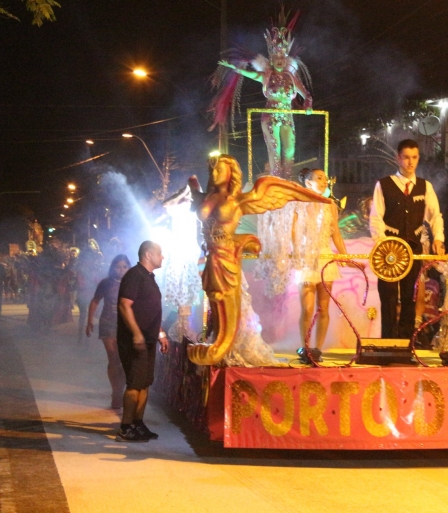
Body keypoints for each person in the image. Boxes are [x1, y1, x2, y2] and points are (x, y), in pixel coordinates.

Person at [187, 154, 327, 365]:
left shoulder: (237, 200)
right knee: (213, 298)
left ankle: (222, 345)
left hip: (226, 255)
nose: (215, 174)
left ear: (230, 174)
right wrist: (194, 189)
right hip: (210, 254)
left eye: (220, 170)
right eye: (213, 170)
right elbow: (199, 215)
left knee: (224, 296)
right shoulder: (206, 197)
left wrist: (241, 240)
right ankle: (217, 341)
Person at [211, 9, 312, 179]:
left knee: (289, 151)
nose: (279, 59)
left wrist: (308, 105)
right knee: (275, 148)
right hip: (271, 115)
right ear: (271, 59)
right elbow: (250, 74)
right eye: (276, 56)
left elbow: (306, 94)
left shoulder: (291, 76)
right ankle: (276, 180)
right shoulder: (267, 75)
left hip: (287, 115)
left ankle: (287, 181)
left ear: (285, 58)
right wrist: (234, 68)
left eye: (282, 56)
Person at [370, 139, 445, 338]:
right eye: (406, 157)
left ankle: (405, 342)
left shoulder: (424, 186)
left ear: (418, 158)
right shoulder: (384, 184)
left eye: (414, 157)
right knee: (388, 296)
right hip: (389, 249)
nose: (410, 162)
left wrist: (438, 238)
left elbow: (435, 215)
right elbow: (376, 217)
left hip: (413, 248)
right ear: (398, 158)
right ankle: (388, 342)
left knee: (410, 296)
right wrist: (381, 243)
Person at [116, 241, 169, 442]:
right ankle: (125, 427)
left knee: (145, 383)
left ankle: (138, 423)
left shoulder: (149, 278)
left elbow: (152, 310)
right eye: (160, 253)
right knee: (134, 384)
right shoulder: (134, 276)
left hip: (148, 338)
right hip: (134, 340)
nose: (162, 257)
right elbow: (124, 305)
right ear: (148, 255)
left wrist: (160, 334)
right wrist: (136, 333)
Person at [295, 168, 347, 350]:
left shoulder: (330, 205)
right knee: (307, 309)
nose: (324, 181)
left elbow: (337, 235)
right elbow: (293, 233)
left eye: (325, 178)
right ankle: (305, 347)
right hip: (306, 259)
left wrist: (345, 255)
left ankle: (318, 349)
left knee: (323, 308)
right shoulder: (298, 204)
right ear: (308, 183)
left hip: (325, 258)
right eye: (319, 178)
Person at [86, 255, 130, 409]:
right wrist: (90, 320)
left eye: (125, 267)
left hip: (127, 325)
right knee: (113, 359)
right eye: (118, 267)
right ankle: (115, 392)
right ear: (113, 268)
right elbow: (95, 300)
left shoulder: (133, 283)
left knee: (124, 360)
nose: (121, 270)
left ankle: (121, 390)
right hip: (108, 323)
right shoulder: (106, 283)